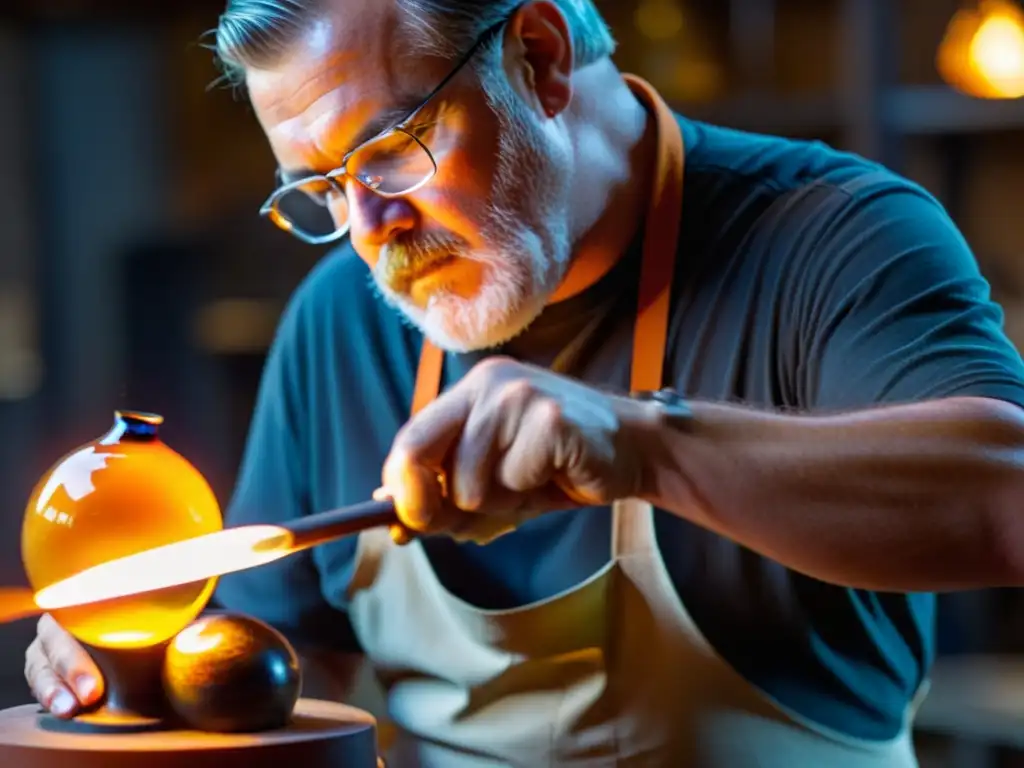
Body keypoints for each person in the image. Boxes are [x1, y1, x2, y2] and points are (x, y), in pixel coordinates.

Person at [23, 0, 1024, 764]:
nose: (371, 230)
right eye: (323, 188)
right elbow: (288, 669)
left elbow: (1005, 500)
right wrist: (157, 670)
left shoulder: (831, 236)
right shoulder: (336, 322)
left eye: (391, 151)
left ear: (537, 59)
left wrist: (645, 447)